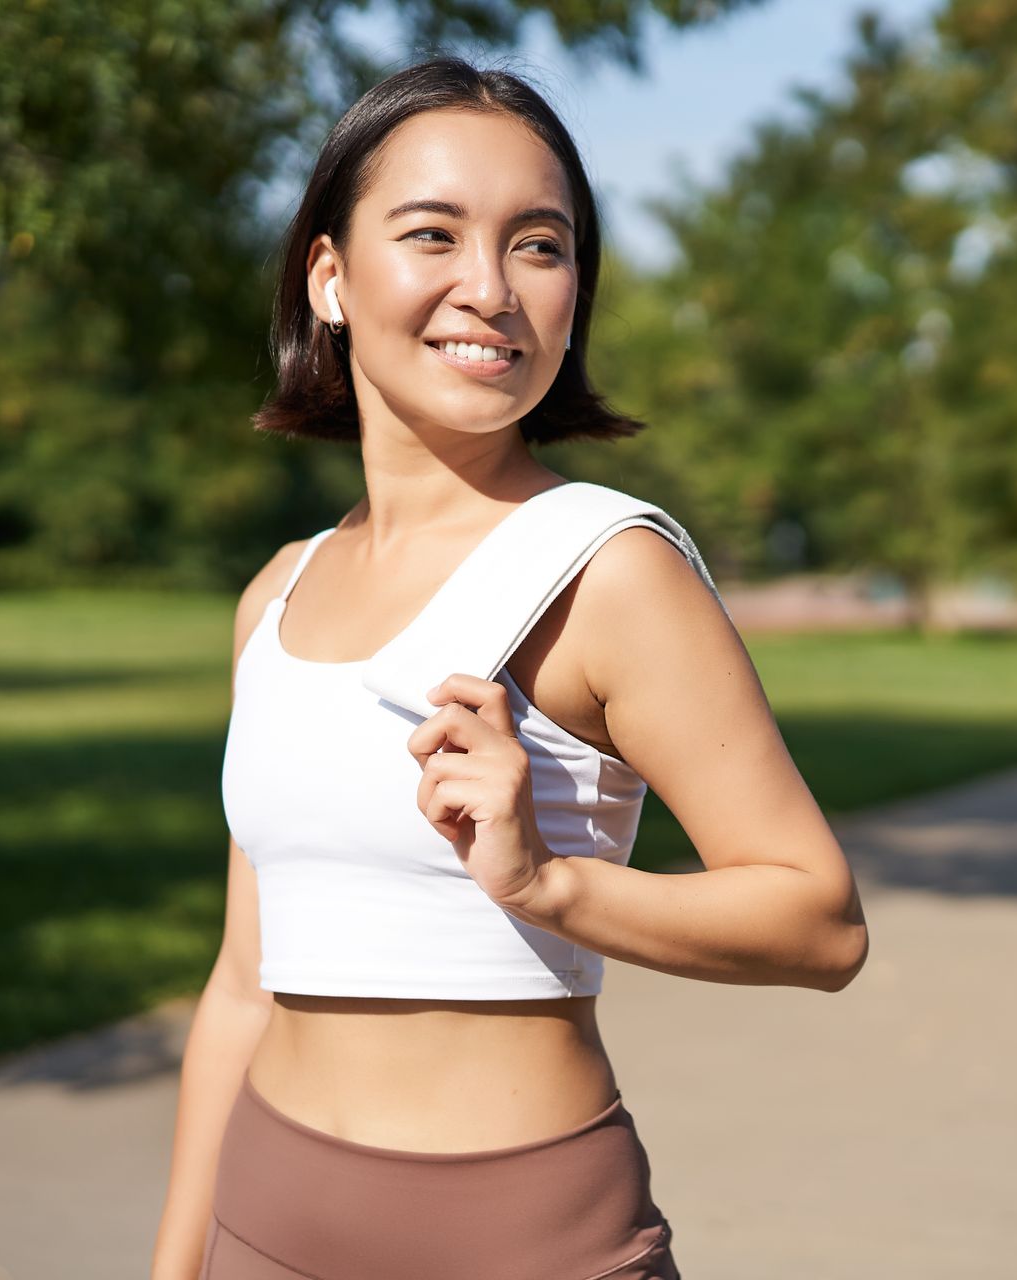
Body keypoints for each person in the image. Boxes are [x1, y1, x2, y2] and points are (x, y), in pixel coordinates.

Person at [149, 55, 869, 1280]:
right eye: (433, 233)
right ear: (329, 276)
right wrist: (178, 1262)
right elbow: (238, 986)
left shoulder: (609, 568)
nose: (489, 288)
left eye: (540, 245)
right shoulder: (274, 592)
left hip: (523, 1241)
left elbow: (819, 919)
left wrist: (550, 883)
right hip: (262, 1222)